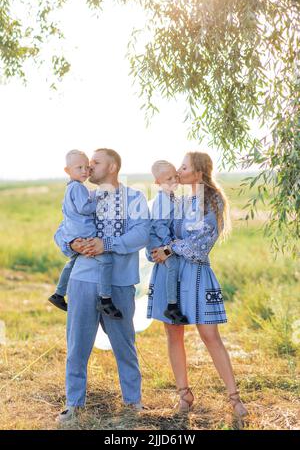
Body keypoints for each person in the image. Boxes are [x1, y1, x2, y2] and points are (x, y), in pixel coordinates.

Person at [147, 152, 248, 418]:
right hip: (171, 274)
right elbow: (158, 231)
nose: (178, 171)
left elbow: (201, 245)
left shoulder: (213, 201)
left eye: (184, 167)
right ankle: (184, 395)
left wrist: (170, 248)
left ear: (198, 173)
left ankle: (234, 397)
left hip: (197, 274)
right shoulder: (177, 201)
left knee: (209, 335)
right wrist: (157, 251)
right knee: (173, 332)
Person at [54, 148, 150, 422]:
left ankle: (133, 404)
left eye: (95, 163)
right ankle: (74, 405)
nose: (89, 167)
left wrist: (106, 244)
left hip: (119, 282)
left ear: (112, 167)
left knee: (125, 345)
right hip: (82, 280)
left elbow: (142, 233)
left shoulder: (134, 198)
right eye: (87, 163)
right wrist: (71, 244)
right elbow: (61, 230)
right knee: (77, 346)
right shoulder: (80, 196)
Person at [49, 149, 122, 319]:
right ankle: (105, 299)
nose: (85, 171)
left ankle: (59, 293)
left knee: (72, 261)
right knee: (106, 260)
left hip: (76, 234)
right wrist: (97, 199)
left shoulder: (70, 189)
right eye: (79, 168)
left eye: (86, 167)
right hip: (85, 234)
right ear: (67, 171)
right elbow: (84, 208)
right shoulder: (78, 188)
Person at [147, 160, 188, 324]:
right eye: (168, 179)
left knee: (174, 265)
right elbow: (158, 224)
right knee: (173, 265)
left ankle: (173, 303)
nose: (174, 181)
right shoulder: (162, 199)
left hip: (163, 238)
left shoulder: (171, 197)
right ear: (158, 182)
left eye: (175, 177)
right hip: (157, 240)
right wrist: (168, 244)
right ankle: (171, 306)